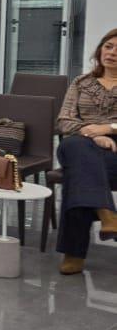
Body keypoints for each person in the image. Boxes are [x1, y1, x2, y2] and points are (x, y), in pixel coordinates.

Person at [54, 28, 117, 275]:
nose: (112, 53)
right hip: (79, 143)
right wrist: (93, 134)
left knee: (78, 176)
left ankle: (74, 253)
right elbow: (64, 121)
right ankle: (107, 213)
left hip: (114, 151)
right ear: (100, 50)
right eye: (109, 46)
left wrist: (108, 129)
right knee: (78, 148)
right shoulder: (82, 82)